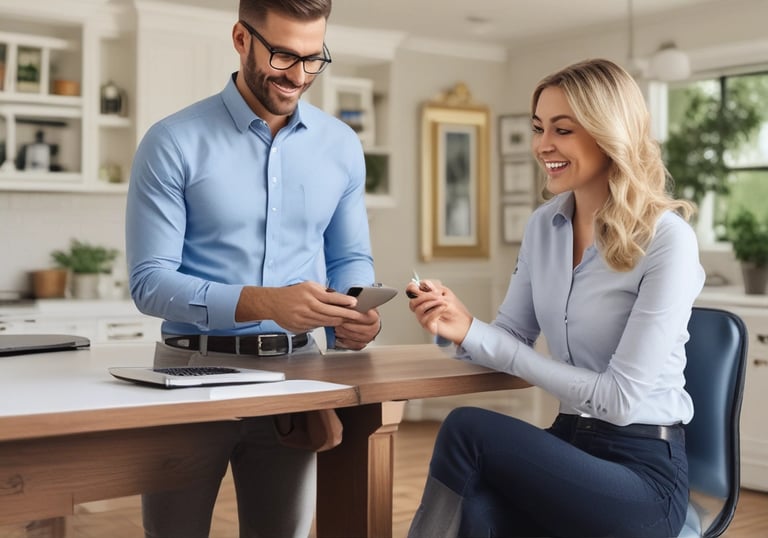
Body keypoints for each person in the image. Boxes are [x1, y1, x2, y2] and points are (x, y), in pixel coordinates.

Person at [405, 58, 704, 538]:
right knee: (477, 511)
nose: (543, 145)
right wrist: (453, 324)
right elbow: (510, 336)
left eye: (562, 130)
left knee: (466, 429)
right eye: (539, 127)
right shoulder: (543, 227)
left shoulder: (668, 240)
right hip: (569, 448)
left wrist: (487, 340)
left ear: (610, 134)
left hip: (643, 476)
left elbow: (621, 400)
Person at [125, 1, 382, 536]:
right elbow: (150, 284)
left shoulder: (340, 147)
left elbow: (349, 257)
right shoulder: (172, 141)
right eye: (284, 55)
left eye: (314, 59)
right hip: (189, 375)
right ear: (242, 39)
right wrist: (266, 302)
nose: (299, 76)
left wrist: (353, 313)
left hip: (298, 375)